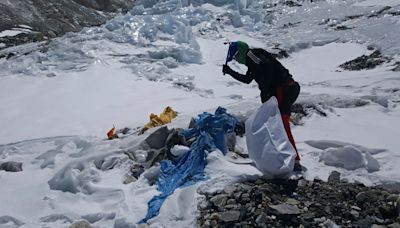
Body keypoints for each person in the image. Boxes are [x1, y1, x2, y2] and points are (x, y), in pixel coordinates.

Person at [222, 41, 302, 171]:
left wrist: (267, 90)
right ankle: (284, 156)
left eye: (236, 56)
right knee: (276, 124)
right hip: (285, 89)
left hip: (285, 88)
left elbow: (267, 65)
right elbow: (247, 79)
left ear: (241, 52)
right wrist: (230, 71)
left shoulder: (252, 54)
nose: (237, 60)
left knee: (282, 124)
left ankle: (294, 160)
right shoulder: (252, 63)